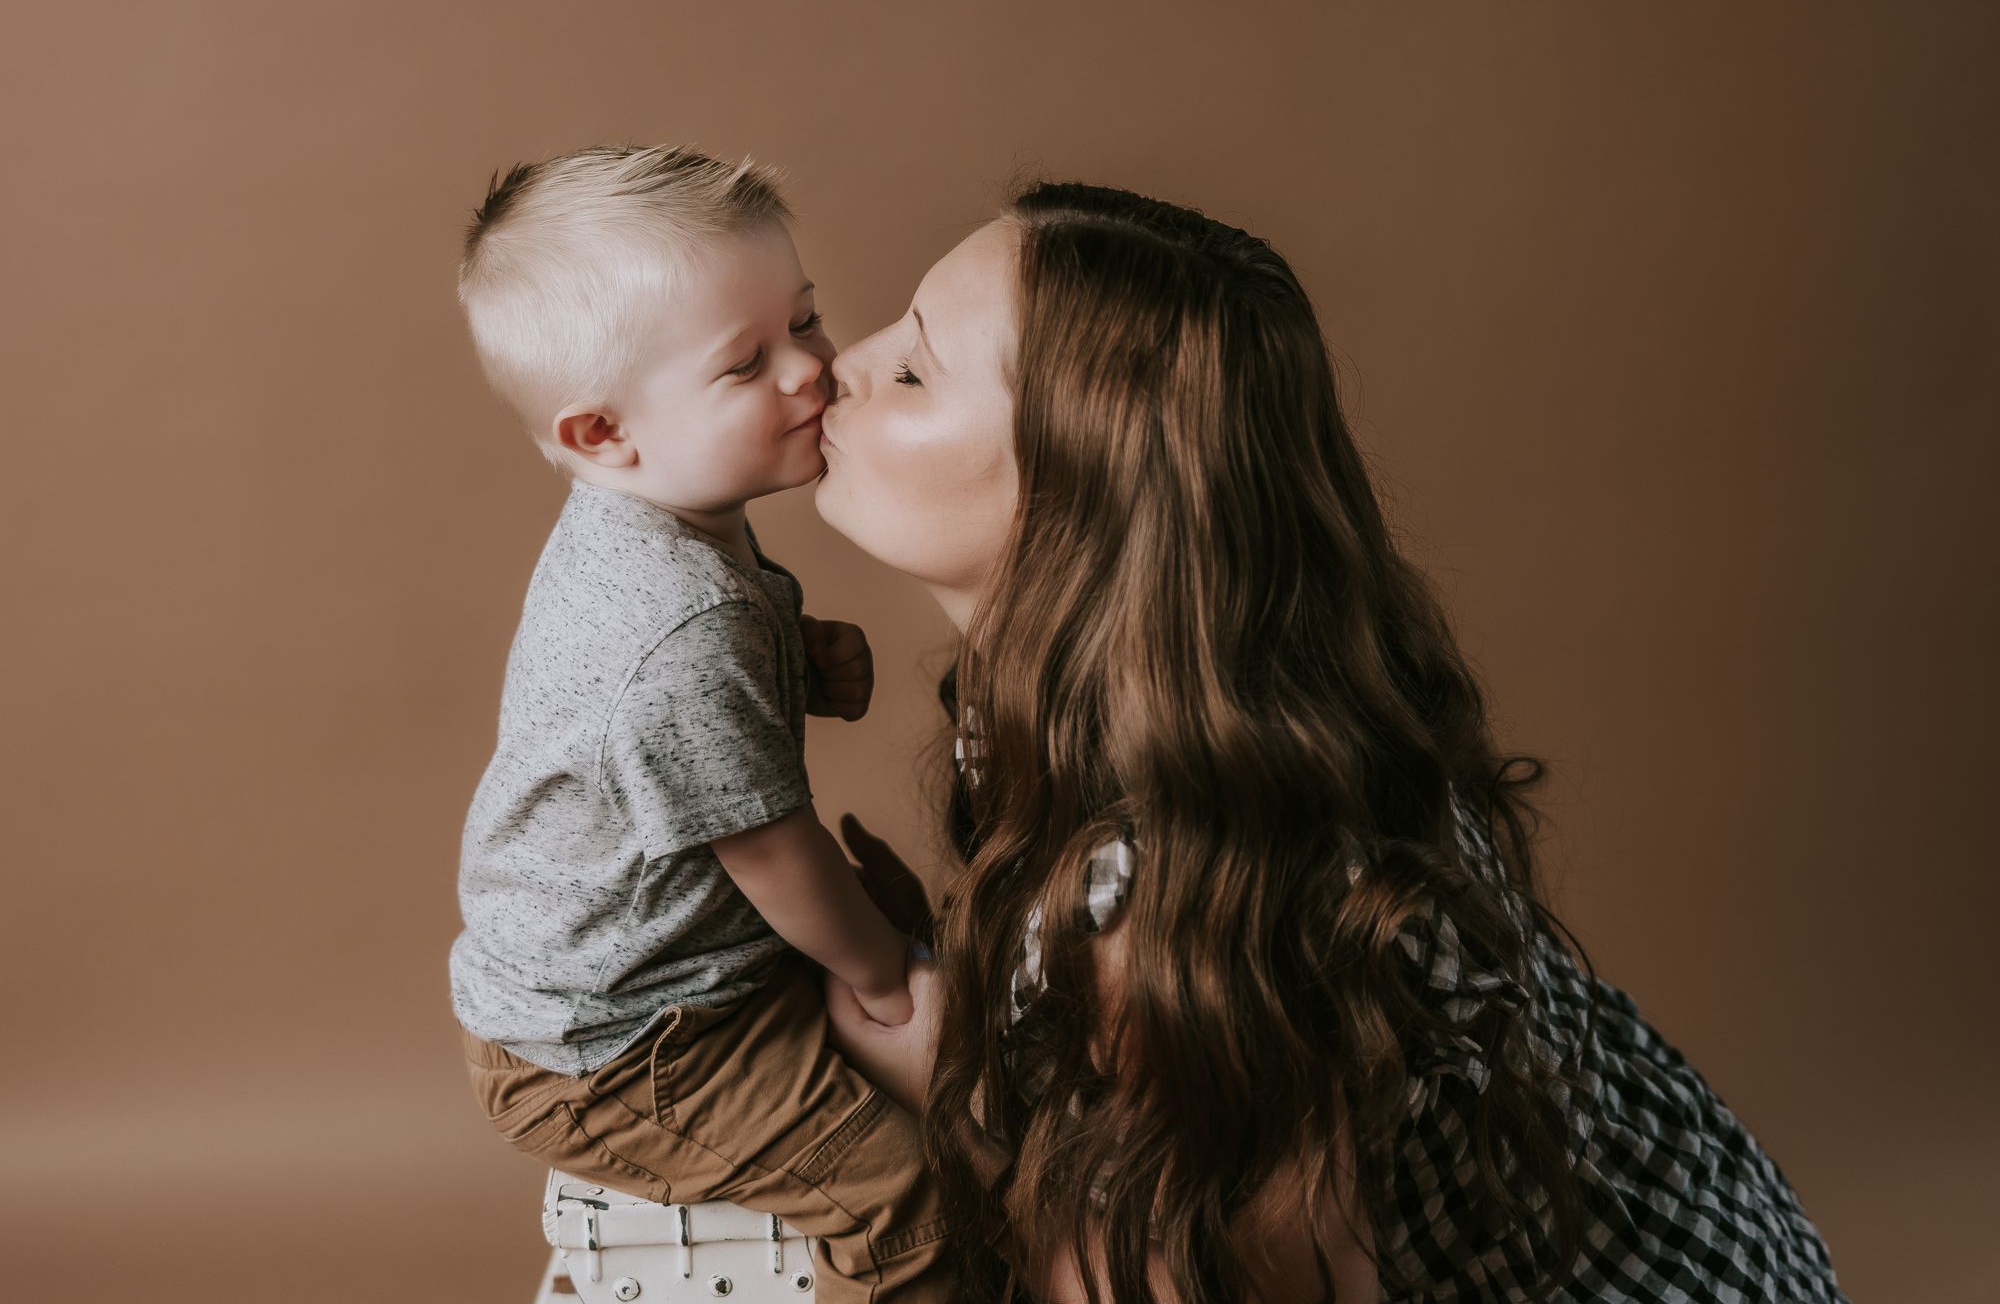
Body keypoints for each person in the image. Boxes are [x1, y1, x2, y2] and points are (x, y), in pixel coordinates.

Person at [813, 181, 1849, 1303]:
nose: (840, 364)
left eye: (914, 370)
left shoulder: (1183, 888)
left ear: (1082, 489)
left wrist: (961, 1101)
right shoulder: (1205, 695)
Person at [446, 144, 950, 1302]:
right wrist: (883, 976)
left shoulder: (662, 518)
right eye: (745, 363)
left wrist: (797, 655)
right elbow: (772, 852)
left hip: (661, 968)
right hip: (621, 1045)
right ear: (601, 433)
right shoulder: (678, 620)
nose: (810, 368)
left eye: (804, 320)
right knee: (908, 1201)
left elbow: (646, 707)